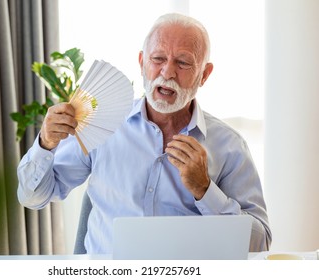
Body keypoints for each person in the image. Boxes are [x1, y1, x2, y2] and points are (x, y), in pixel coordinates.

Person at [17, 13, 272, 254]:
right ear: (141, 63)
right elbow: (33, 196)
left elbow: (259, 243)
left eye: (183, 63)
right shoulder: (103, 124)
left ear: (204, 74)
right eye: (158, 59)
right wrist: (46, 143)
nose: (167, 72)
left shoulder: (229, 145)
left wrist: (205, 190)